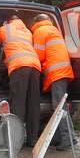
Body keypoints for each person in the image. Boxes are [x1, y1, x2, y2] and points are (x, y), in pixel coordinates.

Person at [0, 14, 42, 146]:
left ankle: (15, 139)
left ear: (8, 21)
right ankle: (32, 140)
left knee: (18, 103)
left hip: (19, 66)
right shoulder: (27, 31)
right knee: (33, 104)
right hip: (35, 66)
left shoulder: (6, 29)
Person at [31, 13, 75, 150]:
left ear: (36, 22)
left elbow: (37, 56)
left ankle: (68, 138)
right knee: (60, 105)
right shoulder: (54, 30)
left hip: (56, 73)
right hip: (63, 71)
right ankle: (60, 137)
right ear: (48, 21)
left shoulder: (39, 31)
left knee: (59, 107)